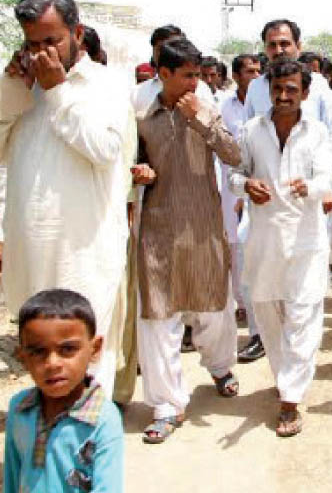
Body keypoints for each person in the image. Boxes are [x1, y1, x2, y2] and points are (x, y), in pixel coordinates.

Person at [0, 0, 130, 394]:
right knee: (42, 359)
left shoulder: (107, 84)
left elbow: (105, 149)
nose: (42, 52)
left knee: (85, 356)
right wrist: (11, 88)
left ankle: (84, 451)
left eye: (51, 40)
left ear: (77, 32)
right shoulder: (23, 87)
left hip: (84, 252)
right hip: (31, 251)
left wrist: (57, 92)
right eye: (33, 43)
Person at [134, 37, 241, 443]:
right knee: (158, 317)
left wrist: (201, 119)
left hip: (203, 226)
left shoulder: (207, 108)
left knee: (213, 305)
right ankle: (166, 404)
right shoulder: (143, 114)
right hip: (158, 228)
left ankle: (219, 366)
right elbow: (134, 160)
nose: (197, 82)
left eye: (199, 75)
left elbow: (234, 155)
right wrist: (138, 169)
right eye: (189, 75)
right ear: (163, 74)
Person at [230, 59, 332, 437]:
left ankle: (290, 400)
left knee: (304, 316)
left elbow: (327, 179)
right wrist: (246, 186)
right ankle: (285, 377)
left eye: (293, 89)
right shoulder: (252, 130)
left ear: (305, 92)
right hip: (265, 239)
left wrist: (312, 187)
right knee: (269, 315)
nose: (285, 95)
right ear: (269, 90)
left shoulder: (317, 132)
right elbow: (234, 175)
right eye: (279, 88)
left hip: (306, 239)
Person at [5, 289, 123, 493]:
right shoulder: (19, 408)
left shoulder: (102, 419)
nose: (52, 363)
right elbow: (12, 477)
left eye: (67, 349)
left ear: (94, 350)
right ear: (22, 357)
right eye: (38, 352)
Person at [243, 19, 332, 204]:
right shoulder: (256, 87)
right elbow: (246, 139)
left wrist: (328, 187)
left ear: (298, 46)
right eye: (272, 45)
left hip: (309, 190)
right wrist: (248, 184)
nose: (279, 50)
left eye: (285, 43)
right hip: (267, 193)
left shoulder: (317, 84)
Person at [222, 53, 265, 363]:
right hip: (240, 194)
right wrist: (239, 189)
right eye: (248, 71)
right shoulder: (227, 108)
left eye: (257, 71)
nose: (254, 75)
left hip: (281, 199)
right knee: (245, 265)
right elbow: (228, 155)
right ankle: (256, 334)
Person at [132, 24, 216, 116]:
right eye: (161, 49)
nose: (167, 53)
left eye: (173, 48)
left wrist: (198, 116)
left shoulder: (202, 90)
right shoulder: (138, 93)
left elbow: (215, 127)